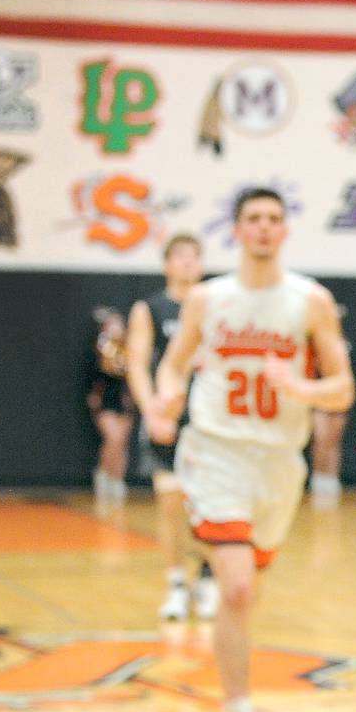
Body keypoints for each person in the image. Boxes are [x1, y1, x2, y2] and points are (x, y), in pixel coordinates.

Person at [153, 188, 355, 712]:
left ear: (284, 230)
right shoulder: (207, 300)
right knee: (236, 586)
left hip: (279, 466)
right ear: (236, 231)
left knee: (247, 592)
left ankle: (237, 701)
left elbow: (342, 389)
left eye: (273, 219)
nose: (263, 228)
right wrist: (168, 392)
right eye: (253, 220)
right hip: (217, 452)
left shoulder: (310, 301)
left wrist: (302, 389)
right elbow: (173, 361)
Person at [127, 233, 218, 620]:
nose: (186, 262)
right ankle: (177, 583)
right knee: (169, 502)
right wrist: (152, 411)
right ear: (167, 264)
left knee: (211, 503)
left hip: (210, 418)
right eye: (179, 255)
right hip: (168, 416)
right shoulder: (150, 308)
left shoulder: (215, 305)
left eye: (193, 256)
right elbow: (136, 364)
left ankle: (210, 578)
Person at [86, 306, 134, 509]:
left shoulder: (128, 348)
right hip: (106, 400)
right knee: (112, 439)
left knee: (121, 442)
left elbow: (133, 375)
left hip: (124, 401)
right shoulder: (99, 349)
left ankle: (117, 480)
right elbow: (92, 376)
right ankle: (103, 475)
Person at [310, 303, 352, 510]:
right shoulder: (317, 342)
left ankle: (332, 479)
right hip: (320, 397)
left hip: (338, 399)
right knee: (321, 439)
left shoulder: (343, 344)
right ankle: (318, 479)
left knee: (334, 440)